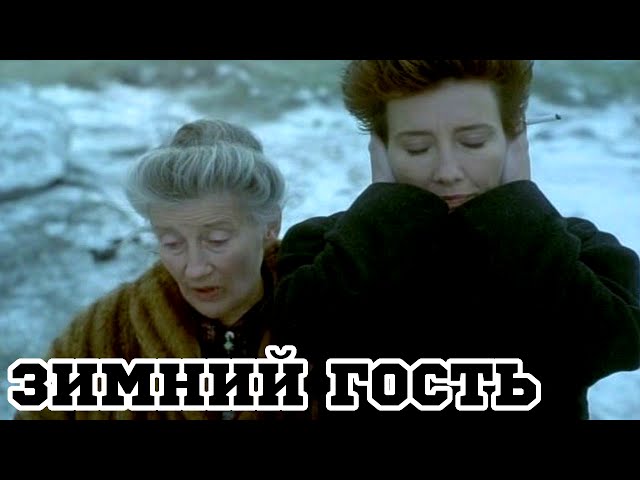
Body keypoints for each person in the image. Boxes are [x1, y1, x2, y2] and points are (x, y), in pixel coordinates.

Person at [273, 60, 640, 419]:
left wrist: (516, 204)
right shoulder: (325, 246)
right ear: (381, 149)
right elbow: (298, 344)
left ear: (513, 138)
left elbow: (617, 345)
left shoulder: (573, 247)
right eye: (417, 148)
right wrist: (385, 208)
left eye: (473, 142)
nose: (447, 171)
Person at [14, 118, 286, 420]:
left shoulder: (320, 322)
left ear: (270, 226)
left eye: (216, 240)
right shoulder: (102, 336)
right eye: (172, 243)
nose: (194, 270)